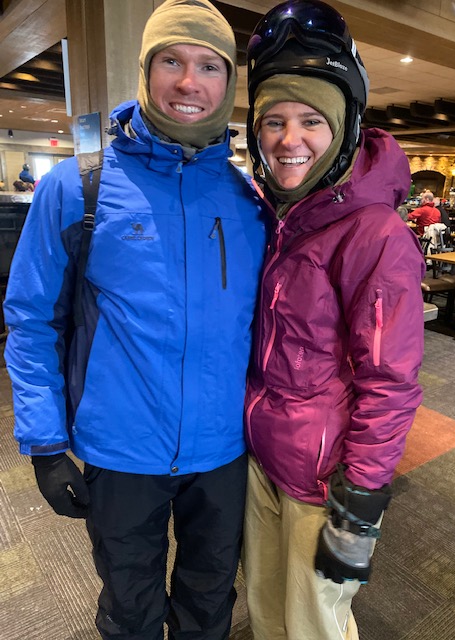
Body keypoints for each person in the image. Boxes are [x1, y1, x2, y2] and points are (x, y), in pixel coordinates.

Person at [3, 1, 266, 638]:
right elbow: (32, 319)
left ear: (229, 82)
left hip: (223, 449)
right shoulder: (78, 187)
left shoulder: (249, 200)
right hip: (121, 448)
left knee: (210, 602)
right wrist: (44, 443)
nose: (189, 82)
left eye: (210, 66)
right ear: (146, 71)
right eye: (171, 61)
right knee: (130, 607)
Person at [242, 2, 425, 639]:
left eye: (311, 120)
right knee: (266, 609)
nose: (289, 140)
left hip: (323, 478)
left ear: (343, 124)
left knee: (314, 624)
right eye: (274, 121)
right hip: (262, 456)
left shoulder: (374, 233)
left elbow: (391, 380)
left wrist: (361, 500)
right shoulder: (277, 217)